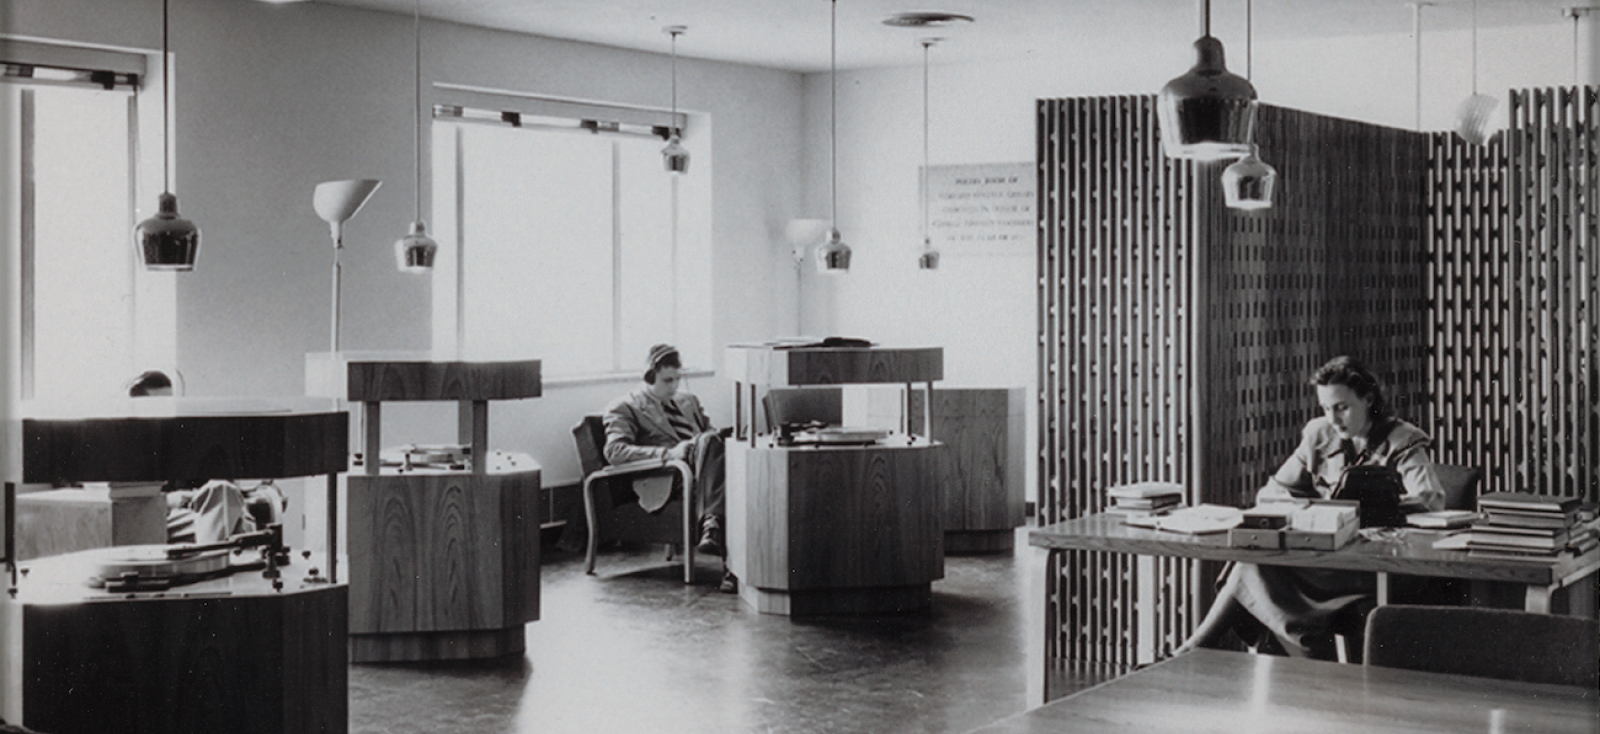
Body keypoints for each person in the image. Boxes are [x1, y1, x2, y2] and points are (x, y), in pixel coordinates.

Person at [1176, 355, 1444, 660]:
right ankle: (1301, 656)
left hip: (1375, 565)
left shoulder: (1403, 439)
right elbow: (1271, 492)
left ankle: (1193, 651)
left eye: (1342, 407)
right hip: (1326, 559)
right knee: (1250, 563)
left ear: (1368, 399)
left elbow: (1431, 501)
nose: (1333, 419)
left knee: (1251, 568)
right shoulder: (1319, 434)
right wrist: (1308, 509)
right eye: (1326, 408)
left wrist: (1384, 508)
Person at [602, 344, 736, 593]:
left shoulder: (689, 401)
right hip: (667, 474)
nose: (674, 387)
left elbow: (712, 440)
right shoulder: (624, 406)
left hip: (702, 472)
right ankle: (726, 558)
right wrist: (669, 453)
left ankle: (716, 530)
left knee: (721, 447)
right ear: (649, 376)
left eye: (677, 379)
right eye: (667, 380)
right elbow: (615, 452)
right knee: (712, 452)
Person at [124, 370, 285, 544]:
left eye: (170, 404)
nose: (167, 413)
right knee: (236, 525)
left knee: (223, 491)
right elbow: (125, 505)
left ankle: (212, 554)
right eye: (159, 407)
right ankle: (217, 558)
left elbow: (215, 489)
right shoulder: (127, 447)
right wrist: (169, 501)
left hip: (197, 517)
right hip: (159, 521)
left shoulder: (183, 442)